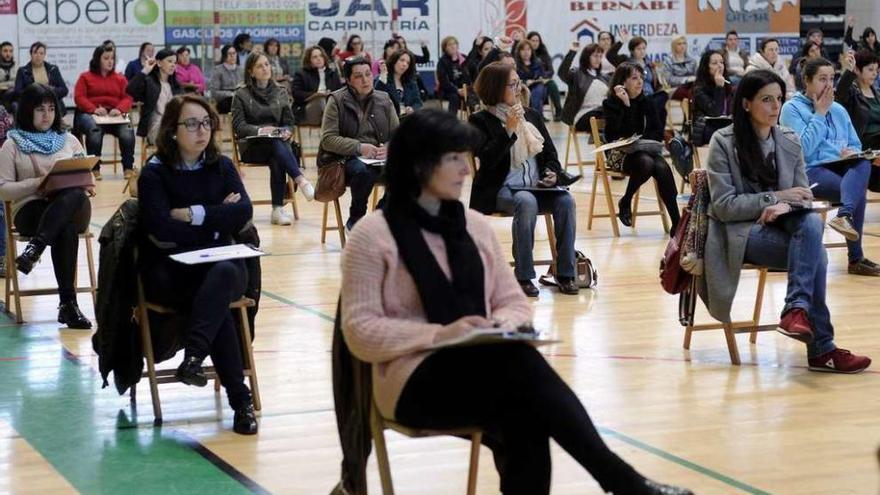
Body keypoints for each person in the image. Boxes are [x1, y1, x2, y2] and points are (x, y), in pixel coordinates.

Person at [341, 107, 693, 495]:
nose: (465, 170)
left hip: (482, 367)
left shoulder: (472, 226)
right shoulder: (373, 235)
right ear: (420, 164)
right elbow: (360, 331)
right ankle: (621, 480)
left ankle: (621, 481)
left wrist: (500, 326)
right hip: (410, 381)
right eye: (455, 159)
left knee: (523, 404)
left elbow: (514, 302)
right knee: (523, 383)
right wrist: (442, 335)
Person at [704, 69, 872, 373]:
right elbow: (725, 207)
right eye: (766, 100)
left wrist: (787, 205)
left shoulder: (789, 139)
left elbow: (803, 195)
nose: (775, 107)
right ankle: (822, 349)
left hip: (783, 225)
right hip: (741, 232)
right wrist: (774, 198)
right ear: (745, 104)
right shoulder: (723, 142)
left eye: (779, 99)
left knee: (810, 224)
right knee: (816, 254)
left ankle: (796, 310)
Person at [137, 94, 258, 434]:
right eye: (191, 124)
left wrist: (193, 214)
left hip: (221, 263)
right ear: (173, 131)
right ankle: (241, 402)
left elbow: (243, 212)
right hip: (172, 271)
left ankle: (194, 357)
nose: (201, 130)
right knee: (214, 301)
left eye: (206, 123)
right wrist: (217, 220)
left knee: (219, 278)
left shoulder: (222, 166)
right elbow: (160, 228)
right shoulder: (154, 174)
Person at [469, 62, 580, 297]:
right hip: (501, 189)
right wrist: (507, 131)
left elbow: (550, 155)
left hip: (537, 187)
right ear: (496, 88)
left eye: (519, 82)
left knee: (566, 201)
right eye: (512, 84)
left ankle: (566, 273)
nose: (518, 88)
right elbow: (488, 161)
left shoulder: (531, 115)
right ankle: (524, 276)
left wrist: (551, 173)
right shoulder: (479, 120)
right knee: (526, 201)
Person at [0, 83, 95, 329]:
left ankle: (35, 248)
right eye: (40, 109)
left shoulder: (70, 140)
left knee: (74, 193)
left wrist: (86, 183)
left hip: (73, 205)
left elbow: (88, 177)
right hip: (32, 210)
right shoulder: (12, 144)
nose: (47, 115)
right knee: (65, 228)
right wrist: (37, 184)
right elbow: (3, 190)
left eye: (51, 109)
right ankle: (68, 305)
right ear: (27, 111)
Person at [780, 57, 880, 276]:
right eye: (822, 79)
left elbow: (855, 144)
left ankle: (844, 216)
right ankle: (856, 259)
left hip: (840, 168)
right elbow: (804, 150)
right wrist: (820, 112)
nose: (828, 84)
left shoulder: (839, 110)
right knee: (856, 191)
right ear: (807, 81)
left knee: (863, 161)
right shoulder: (791, 108)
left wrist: (852, 152)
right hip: (809, 173)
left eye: (832, 78)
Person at [232, 52, 314, 225]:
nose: (265, 68)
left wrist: (286, 131)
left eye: (267, 65)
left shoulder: (281, 91)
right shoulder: (241, 94)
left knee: (277, 153)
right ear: (251, 71)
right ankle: (301, 180)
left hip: (278, 146)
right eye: (260, 66)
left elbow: (289, 122)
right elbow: (239, 127)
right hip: (252, 146)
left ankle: (277, 210)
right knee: (276, 145)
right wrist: (261, 130)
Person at [319, 57, 398, 231]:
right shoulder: (336, 100)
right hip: (345, 158)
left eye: (368, 74)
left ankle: (380, 217)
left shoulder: (384, 99)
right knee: (364, 172)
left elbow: (399, 135)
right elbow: (328, 139)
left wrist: (390, 147)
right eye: (358, 76)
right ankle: (356, 219)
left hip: (378, 157)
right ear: (348, 80)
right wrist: (359, 147)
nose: (365, 80)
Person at [602, 62, 680, 232]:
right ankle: (626, 200)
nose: (640, 82)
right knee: (647, 163)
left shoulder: (648, 101)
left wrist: (646, 143)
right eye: (634, 78)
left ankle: (677, 223)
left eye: (641, 78)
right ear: (622, 82)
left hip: (644, 150)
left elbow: (657, 131)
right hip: (619, 154)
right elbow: (615, 135)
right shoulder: (611, 104)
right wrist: (626, 105)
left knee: (662, 167)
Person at [73, 43, 135, 180]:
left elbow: (128, 97)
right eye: (106, 58)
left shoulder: (120, 78)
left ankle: (128, 167)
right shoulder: (85, 77)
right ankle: (95, 169)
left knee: (127, 130)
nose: (110, 61)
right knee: (94, 130)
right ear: (97, 60)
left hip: (114, 115)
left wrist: (119, 109)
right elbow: (79, 97)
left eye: (112, 58)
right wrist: (94, 109)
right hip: (91, 114)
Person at [126, 48, 182, 145]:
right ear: (159, 63)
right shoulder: (149, 82)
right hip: (156, 127)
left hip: (175, 126)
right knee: (176, 136)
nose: (173, 65)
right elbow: (130, 90)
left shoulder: (175, 86)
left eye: (175, 62)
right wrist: (145, 70)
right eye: (169, 61)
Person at [559, 41, 609, 131]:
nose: (598, 59)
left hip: (603, 113)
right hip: (582, 115)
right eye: (595, 56)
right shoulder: (576, 74)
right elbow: (562, 73)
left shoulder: (605, 78)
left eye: (600, 56)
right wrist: (572, 52)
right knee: (603, 113)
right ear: (587, 57)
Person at [836, 50, 880, 153]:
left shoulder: (877, 93)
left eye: (877, 70)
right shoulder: (852, 92)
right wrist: (849, 71)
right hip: (865, 141)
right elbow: (840, 95)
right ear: (857, 70)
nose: (874, 74)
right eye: (870, 69)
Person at [292, 46, 343, 125]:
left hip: (330, 106)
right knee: (320, 100)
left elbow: (340, 92)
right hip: (308, 109)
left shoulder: (332, 74)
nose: (319, 59)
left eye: (321, 56)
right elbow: (296, 94)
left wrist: (330, 94)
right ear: (309, 60)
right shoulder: (301, 74)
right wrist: (316, 95)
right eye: (315, 57)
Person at [691, 50, 733, 146]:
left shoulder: (728, 84)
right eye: (714, 63)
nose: (719, 66)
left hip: (726, 125)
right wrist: (719, 87)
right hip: (707, 129)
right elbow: (715, 113)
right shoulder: (699, 88)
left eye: (721, 62)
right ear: (706, 67)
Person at [627, 37, 668, 125]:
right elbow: (611, 55)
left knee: (663, 96)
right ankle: (655, 133)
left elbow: (655, 83)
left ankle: (658, 135)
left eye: (644, 48)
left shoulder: (649, 64)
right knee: (656, 109)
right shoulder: (628, 64)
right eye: (638, 49)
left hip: (651, 95)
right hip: (637, 96)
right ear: (632, 51)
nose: (642, 51)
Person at [527, 31, 564, 121]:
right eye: (533, 40)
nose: (535, 43)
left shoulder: (544, 54)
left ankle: (559, 111)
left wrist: (543, 77)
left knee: (552, 84)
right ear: (528, 41)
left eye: (537, 41)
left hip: (543, 80)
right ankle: (539, 115)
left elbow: (551, 71)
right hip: (529, 81)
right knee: (540, 88)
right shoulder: (525, 53)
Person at [374, 50, 422, 116]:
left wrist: (412, 108)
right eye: (402, 60)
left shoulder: (411, 82)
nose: (405, 64)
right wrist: (382, 78)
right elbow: (376, 98)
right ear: (394, 61)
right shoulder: (382, 77)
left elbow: (418, 102)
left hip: (406, 120)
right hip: (388, 119)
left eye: (408, 63)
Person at [436, 36, 471, 115]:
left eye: (454, 44)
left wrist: (466, 89)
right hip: (448, 90)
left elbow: (470, 76)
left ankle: (473, 120)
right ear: (445, 48)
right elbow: (443, 81)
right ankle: (451, 122)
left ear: (457, 46)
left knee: (474, 96)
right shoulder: (442, 61)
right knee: (454, 96)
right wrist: (457, 90)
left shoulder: (464, 58)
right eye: (449, 45)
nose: (452, 46)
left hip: (464, 88)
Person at [514, 41, 548, 117]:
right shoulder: (516, 64)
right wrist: (526, 81)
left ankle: (535, 116)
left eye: (528, 49)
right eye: (523, 50)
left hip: (537, 85)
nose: (526, 52)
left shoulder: (538, 62)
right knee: (527, 91)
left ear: (531, 51)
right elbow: (514, 79)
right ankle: (537, 116)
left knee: (538, 90)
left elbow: (544, 75)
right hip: (522, 86)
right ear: (519, 51)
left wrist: (541, 78)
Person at [661, 35, 697, 101]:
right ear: (674, 46)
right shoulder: (668, 61)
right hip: (675, 89)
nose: (682, 46)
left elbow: (697, 76)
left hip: (691, 88)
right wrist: (686, 79)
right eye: (679, 44)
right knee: (690, 95)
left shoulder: (692, 61)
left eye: (684, 43)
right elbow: (669, 79)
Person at [209, 45, 243, 114]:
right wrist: (231, 94)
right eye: (230, 54)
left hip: (240, 98)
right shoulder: (218, 70)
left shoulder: (241, 70)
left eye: (234, 53)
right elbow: (214, 92)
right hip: (226, 100)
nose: (232, 56)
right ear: (224, 56)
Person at [0, 42, 17, 109]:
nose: (8, 54)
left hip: (13, 97)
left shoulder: (17, 67)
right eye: (5, 51)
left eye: (10, 51)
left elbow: (19, 83)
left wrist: (3, 85)